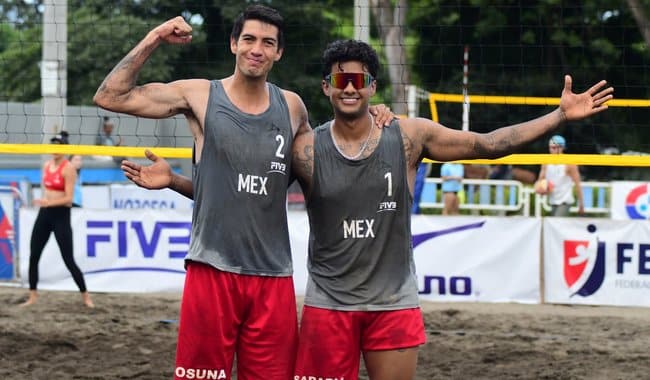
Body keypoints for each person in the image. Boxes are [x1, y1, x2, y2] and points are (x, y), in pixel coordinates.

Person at [124, 40, 613, 379]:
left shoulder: (408, 136)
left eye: (359, 80)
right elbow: (246, 195)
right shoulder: (305, 151)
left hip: (392, 305)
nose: (351, 87)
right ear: (327, 89)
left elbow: (489, 144)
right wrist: (175, 183)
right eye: (341, 80)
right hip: (325, 308)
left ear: (372, 88)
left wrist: (558, 116)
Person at [94, 5, 392, 379]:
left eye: (268, 42)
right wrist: (155, 37)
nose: (257, 49)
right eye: (249, 39)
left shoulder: (293, 107)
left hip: (273, 280)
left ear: (278, 52)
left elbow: (314, 168)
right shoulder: (200, 95)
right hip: (211, 273)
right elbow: (110, 96)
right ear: (234, 43)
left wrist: (373, 111)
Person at [22, 132, 94, 308]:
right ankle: (32, 296)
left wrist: (49, 202)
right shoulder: (47, 165)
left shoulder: (68, 168)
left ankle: (85, 296)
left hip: (61, 215)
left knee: (68, 259)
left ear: (65, 148)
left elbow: (68, 199)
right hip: (45, 213)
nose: (55, 148)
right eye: (53, 144)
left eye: (59, 145)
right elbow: (48, 191)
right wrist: (44, 202)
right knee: (34, 255)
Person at [536, 135, 585, 216]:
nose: (552, 150)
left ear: (561, 148)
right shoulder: (545, 163)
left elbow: (578, 185)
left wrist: (581, 204)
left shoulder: (569, 163)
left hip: (565, 201)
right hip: (553, 200)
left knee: (556, 223)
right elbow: (540, 180)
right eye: (550, 147)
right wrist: (540, 188)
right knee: (555, 225)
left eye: (554, 147)